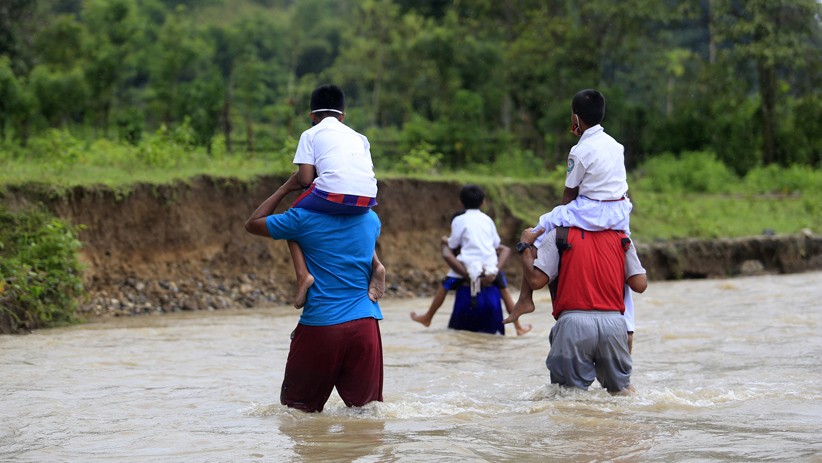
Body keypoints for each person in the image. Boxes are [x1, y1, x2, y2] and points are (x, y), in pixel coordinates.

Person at [244, 172, 385, 413]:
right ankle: (377, 265)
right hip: (366, 323)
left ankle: (303, 275)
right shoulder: (372, 219)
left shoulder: (300, 218)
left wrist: (287, 187)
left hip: (323, 324)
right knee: (368, 412)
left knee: (297, 413)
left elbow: (253, 223)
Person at [518, 88, 638, 347]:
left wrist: (560, 217)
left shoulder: (579, 151)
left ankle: (525, 297)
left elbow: (569, 194)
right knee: (624, 259)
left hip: (590, 210)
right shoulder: (616, 145)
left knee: (539, 228)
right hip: (619, 212)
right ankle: (628, 325)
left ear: (575, 119)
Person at [505, 225, 647, 393]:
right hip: (614, 325)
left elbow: (536, 281)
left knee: (569, 396)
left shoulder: (559, 235)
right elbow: (640, 285)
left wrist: (525, 247)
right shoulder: (622, 238)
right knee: (621, 393)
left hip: (573, 325)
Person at [285, 84, 384, 309]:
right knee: (358, 217)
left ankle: (303, 275)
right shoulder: (360, 137)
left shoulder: (310, 134)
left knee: (292, 221)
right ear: (342, 117)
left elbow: (305, 179)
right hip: (367, 199)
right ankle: (377, 265)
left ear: (312, 116)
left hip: (332, 193)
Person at [410, 185, 531, 335]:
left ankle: (428, 317)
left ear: (461, 202)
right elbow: (495, 243)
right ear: (483, 202)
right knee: (504, 290)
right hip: (490, 266)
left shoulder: (459, 220)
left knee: (445, 285)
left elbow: (453, 243)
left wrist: (445, 241)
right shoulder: (487, 220)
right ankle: (518, 326)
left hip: (467, 266)